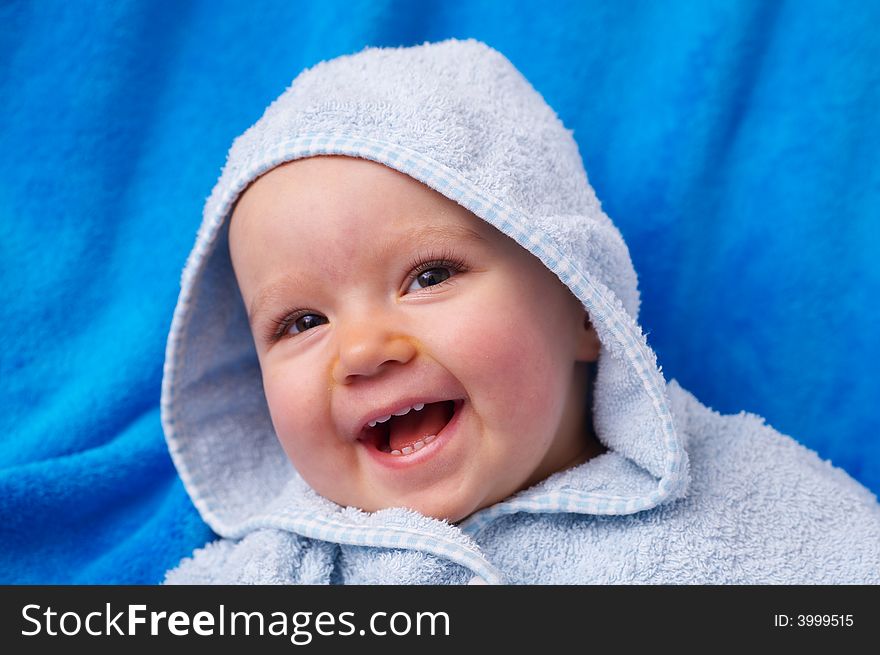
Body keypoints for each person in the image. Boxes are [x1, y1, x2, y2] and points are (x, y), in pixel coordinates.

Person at [161, 38, 880, 584]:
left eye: (429, 275)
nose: (361, 350)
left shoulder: (749, 506)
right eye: (301, 322)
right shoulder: (282, 567)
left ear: (581, 303)